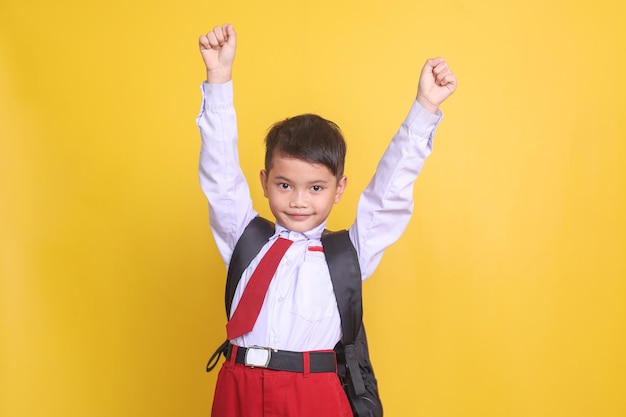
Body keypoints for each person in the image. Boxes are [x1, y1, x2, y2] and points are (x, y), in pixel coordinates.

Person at [196, 23, 456, 417]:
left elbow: (388, 194)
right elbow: (220, 174)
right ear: (265, 183)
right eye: (285, 185)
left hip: (313, 395)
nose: (299, 201)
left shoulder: (349, 253)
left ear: (339, 189)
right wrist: (218, 79)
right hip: (238, 389)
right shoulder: (244, 239)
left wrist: (425, 108)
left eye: (316, 188)